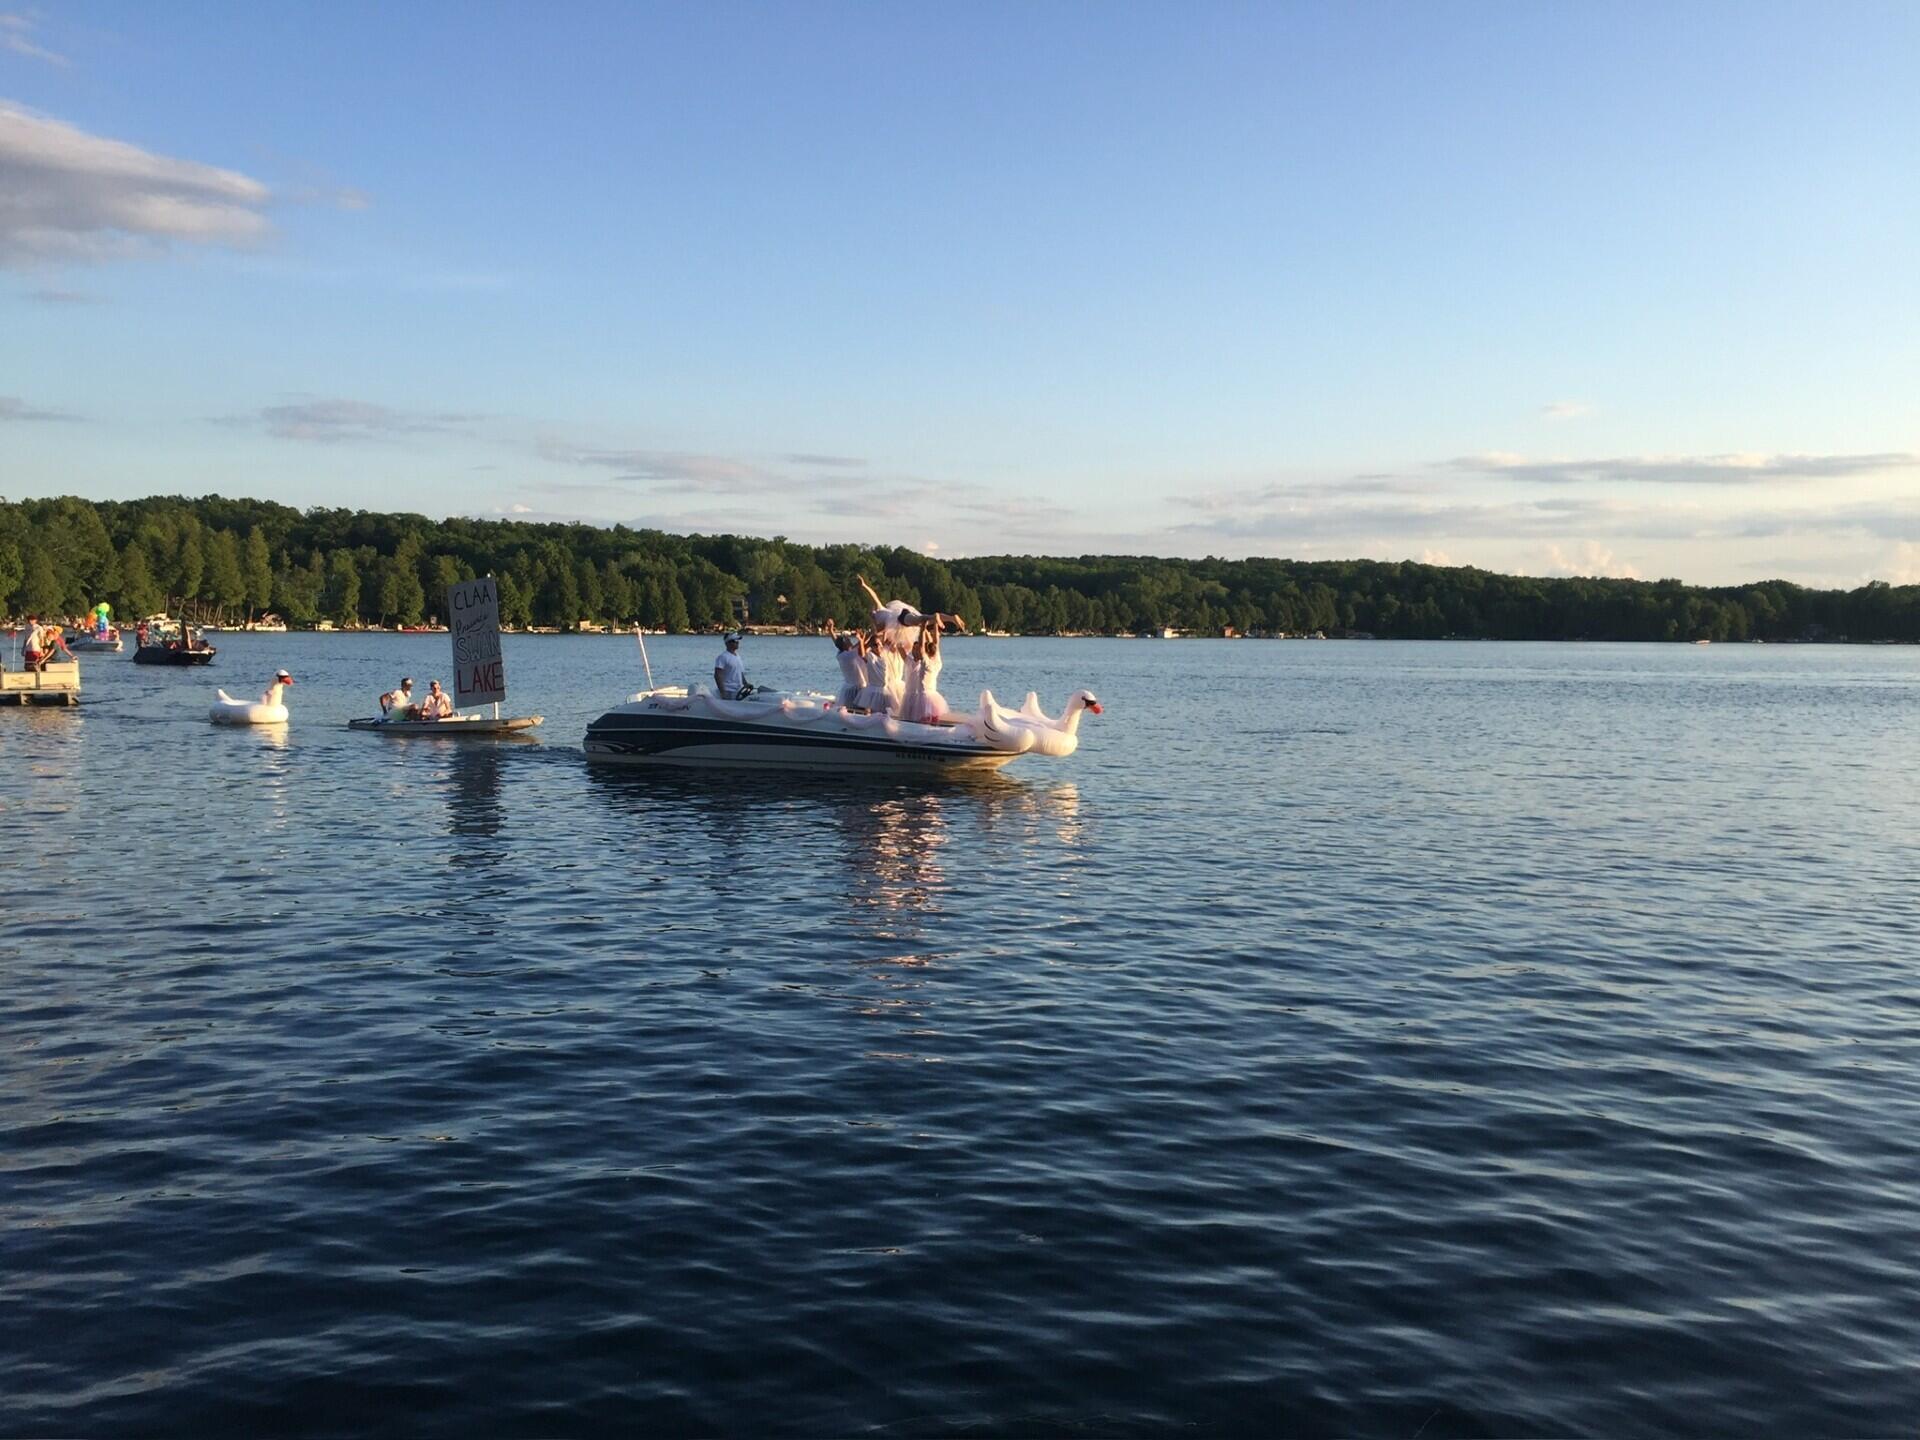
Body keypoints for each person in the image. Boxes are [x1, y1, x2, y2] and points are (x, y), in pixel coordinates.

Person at [906, 617, 950, 723]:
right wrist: (935, 625)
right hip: (934, 695)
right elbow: (936, 642)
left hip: (924, 695)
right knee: (934, 719)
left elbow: (922, 645)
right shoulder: (937, 661)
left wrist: (922, 629)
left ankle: (923, 734)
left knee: (923, 719)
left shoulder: (926, 662)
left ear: (926, 651)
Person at [825, 619, 870, 709]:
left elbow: (837, 643)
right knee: (861, 710)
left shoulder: (841, 655)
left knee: (851, 710)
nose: (850, 641)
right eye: (848, 640)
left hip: (848, 689)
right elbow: (864, 645)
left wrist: (831, 630)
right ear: (845, 645)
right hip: (858, 689)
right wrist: (866, 636)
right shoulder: (851, 654)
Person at [713, 630, 747, 700]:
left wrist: (746, 684)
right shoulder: (723, 657)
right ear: (728, 643)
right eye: (735, 641)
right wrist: (723, 692)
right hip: (729, 691)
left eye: (737, 640)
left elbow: (740, 674)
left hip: (739, 690)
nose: (737, 642)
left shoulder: (738, 656)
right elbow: (717, 675)